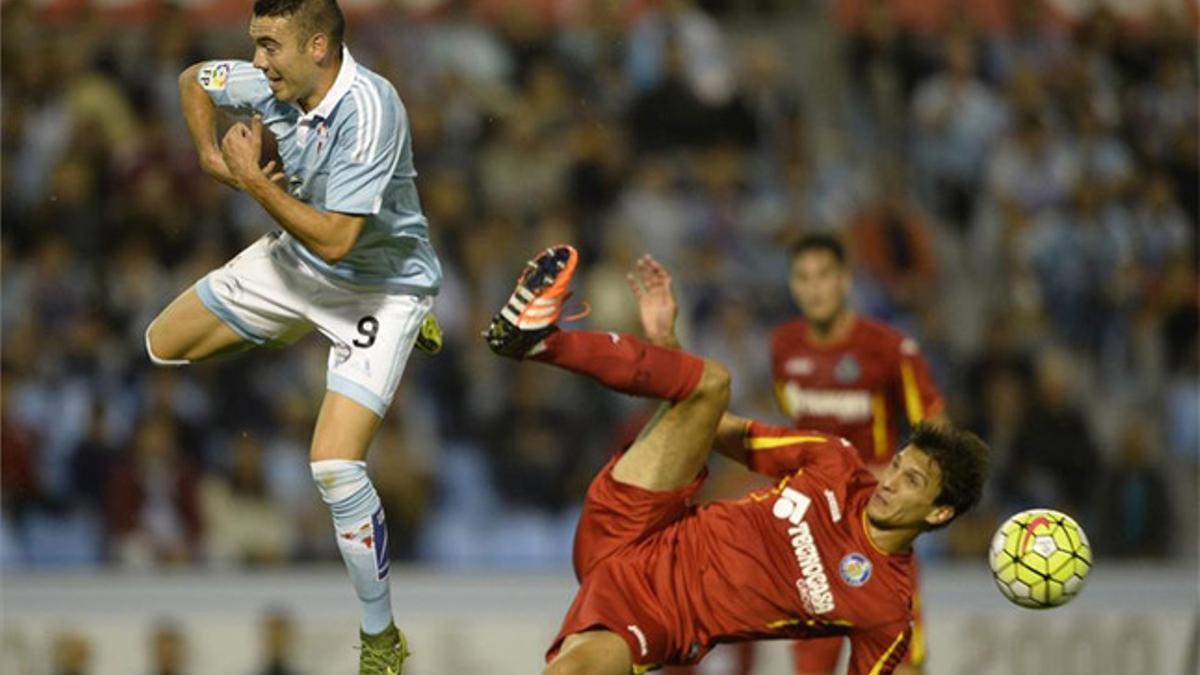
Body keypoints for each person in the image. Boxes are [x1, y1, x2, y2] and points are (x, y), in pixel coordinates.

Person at [483, 245, 989, 675]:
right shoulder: (835, 463)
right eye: (899, 463)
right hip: (641, 523)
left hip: (659, 614)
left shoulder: (885, 609)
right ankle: (537, 340)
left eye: (912, 480)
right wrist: (668, 352)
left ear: (939, 511)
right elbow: (719, 428)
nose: (891, 480)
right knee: (713, 383)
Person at [143, 0, 440, 671]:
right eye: (255, 44)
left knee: (334, 464)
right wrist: (210, 156)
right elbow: (194, 79)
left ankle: (380, 637)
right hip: (297, 262)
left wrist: (250, 181)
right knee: (161, 343)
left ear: (316, 47)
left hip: (382, 287)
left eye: (270, 46)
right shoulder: (272, 82)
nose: (256, 62)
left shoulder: (371, 110)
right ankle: (299, 325)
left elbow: (338, 240)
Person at [771, 233, 945, 674]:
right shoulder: (784, 348)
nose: (814, 288)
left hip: (879, 528)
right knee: (812, 667)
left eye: (824, 276)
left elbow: (936, 429)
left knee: (899, 664)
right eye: (803, 278)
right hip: (812, 535)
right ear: (792, 285)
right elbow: (792, 431)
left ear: (845, 280)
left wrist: (901, 475)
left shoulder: (889, 348)